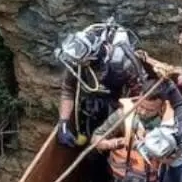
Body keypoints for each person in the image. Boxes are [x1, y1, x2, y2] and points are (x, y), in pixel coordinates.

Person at [92, 79, 176, 182]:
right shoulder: (125, 115)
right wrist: (119, 142)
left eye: (150, 110)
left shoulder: (171, 125)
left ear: (162, 107)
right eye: (142, 106)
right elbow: (96, 139)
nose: (143, 112)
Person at [53, 19, 151, 148]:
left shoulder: (124, 63)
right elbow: (68, 90)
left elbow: (140, 96)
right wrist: (64, 123)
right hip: (92, 106)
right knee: (91, 142)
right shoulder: (77, 62)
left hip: (120, 107)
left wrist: (125, 126)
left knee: (108, 146)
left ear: (91, 58)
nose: (76, 65)